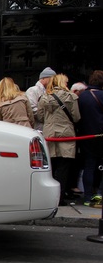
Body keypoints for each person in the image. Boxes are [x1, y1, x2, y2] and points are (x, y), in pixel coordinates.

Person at [38, 74, 81, 205]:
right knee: (63, 167)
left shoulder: (44, 97)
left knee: (50, 167)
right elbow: (76, 117)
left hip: (49, 133)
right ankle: (60, 198)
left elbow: (40, 116)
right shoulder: (71, 97)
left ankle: (48, 198)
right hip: (66, 134)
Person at [76, 70, 103, 207]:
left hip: (85, 136)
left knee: (89, 166)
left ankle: (87, 197)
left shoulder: (82, 96)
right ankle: (99, 193)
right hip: (101, 136)